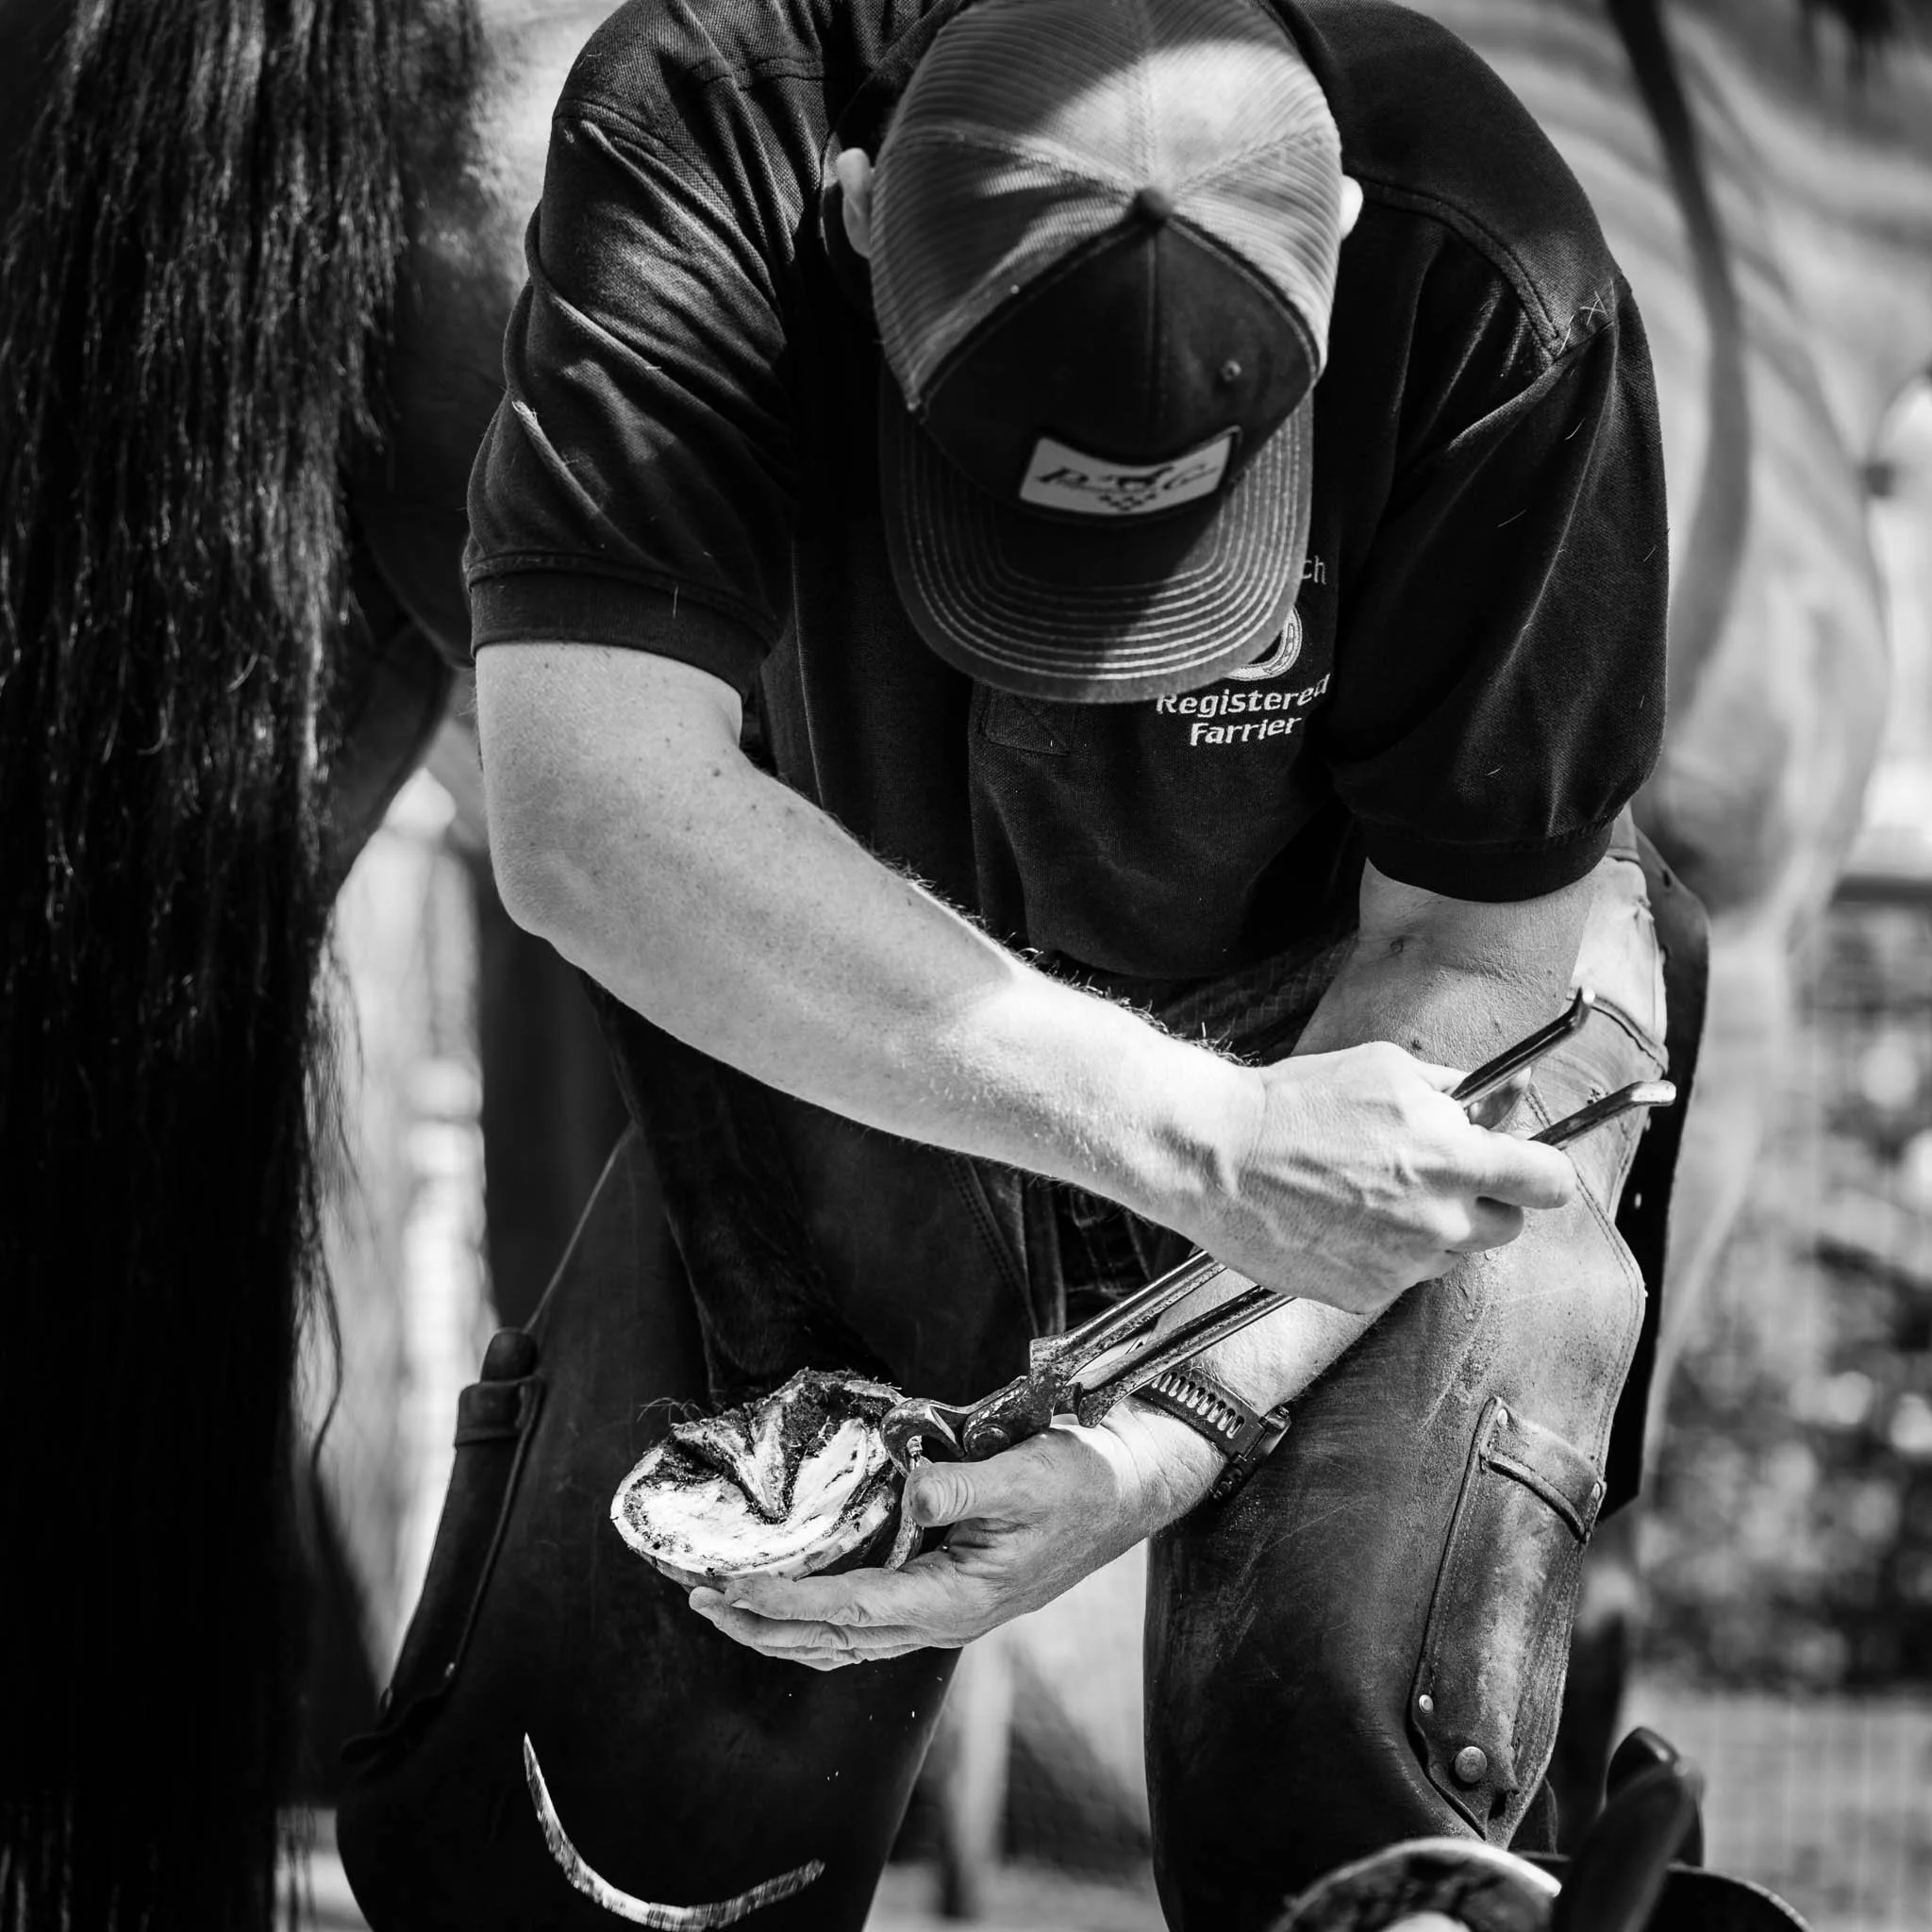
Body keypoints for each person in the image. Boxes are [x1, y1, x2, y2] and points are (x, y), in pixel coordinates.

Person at [463, 0, 1678, 1917]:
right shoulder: (711, 123)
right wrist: (1193, 1141)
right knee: (609, 1799)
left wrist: (1162, 1427)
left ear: (1339, 233)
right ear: (855, 219)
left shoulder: (1493, 278)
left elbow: (1481, 938)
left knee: (1357, 1764)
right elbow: (590, 808)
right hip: (842, 992)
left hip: (1367, 1024)